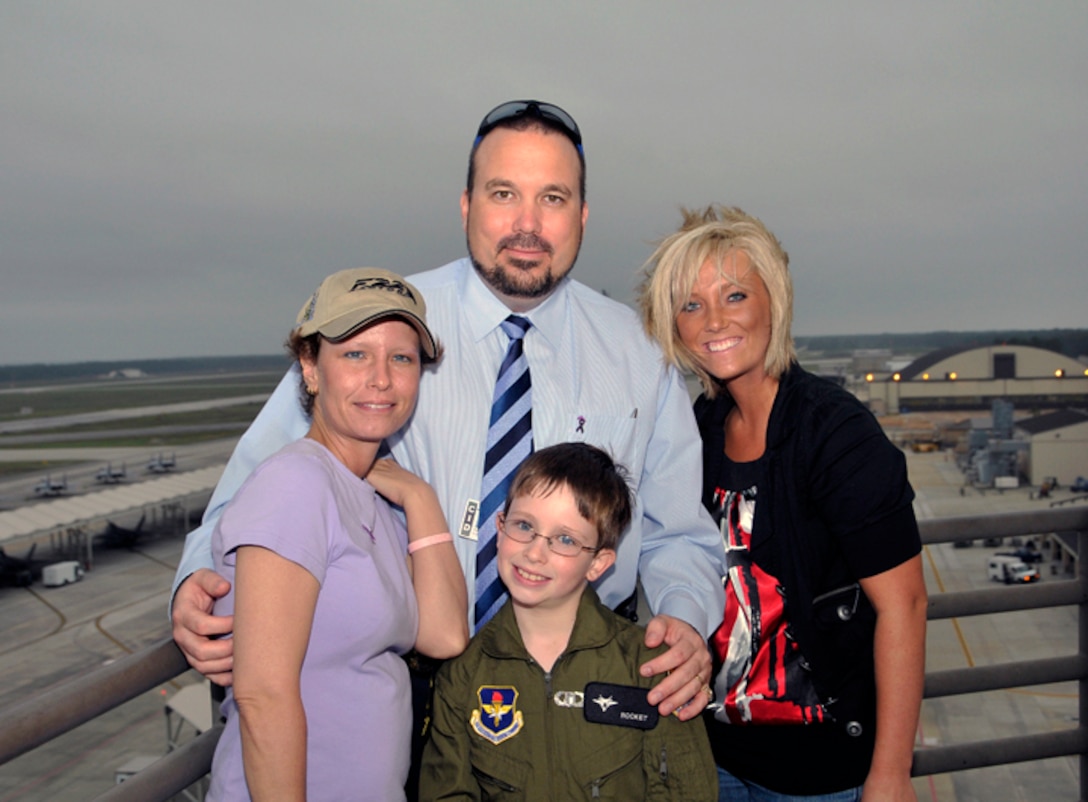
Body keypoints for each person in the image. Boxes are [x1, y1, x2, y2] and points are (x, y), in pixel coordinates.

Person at [171, 100, 725, 721]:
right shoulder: (381, 326)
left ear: (583, 216)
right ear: (466, 206)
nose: (527, 224)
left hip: (577, 695)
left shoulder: (641, 353)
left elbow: (680, 533)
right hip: (409, 696)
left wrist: (683, 618)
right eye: (503, 193)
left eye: (553, 198)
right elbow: (255, 485)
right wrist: (197, 580)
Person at [639, 206, 927, 801]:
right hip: (714, 757)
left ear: (775, 303)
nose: (713, 319)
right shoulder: (699, 429)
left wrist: (890, 775)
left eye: (735, 295)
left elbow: (905, 606)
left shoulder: (835, 433)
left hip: (819, 775)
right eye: (691, 305)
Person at [205, 268, 468, 801]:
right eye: (354, 354)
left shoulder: (367, 495)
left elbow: (444, 636)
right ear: (310, 367)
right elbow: (262, 695)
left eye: (402, 358)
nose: (381, 379)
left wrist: (420, 499)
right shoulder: (296, 484)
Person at [420, 442, 717, 801]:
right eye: (524, 525)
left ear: (598, 563)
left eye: (565, 539)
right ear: (499, 528)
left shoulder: (650, 666)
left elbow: (687, 792)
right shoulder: (464, 675)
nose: (534, 552)